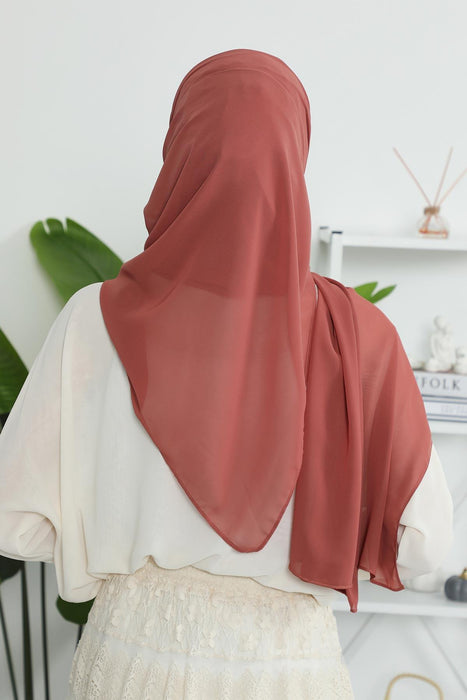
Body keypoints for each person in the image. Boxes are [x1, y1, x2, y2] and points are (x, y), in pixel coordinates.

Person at [0, 48, 453, 699]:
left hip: (133, 664)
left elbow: (16, 519)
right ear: (294, 159)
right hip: (291, 673)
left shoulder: (91, 321)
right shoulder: (360, 336)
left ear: (178, 156)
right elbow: (423, 548)